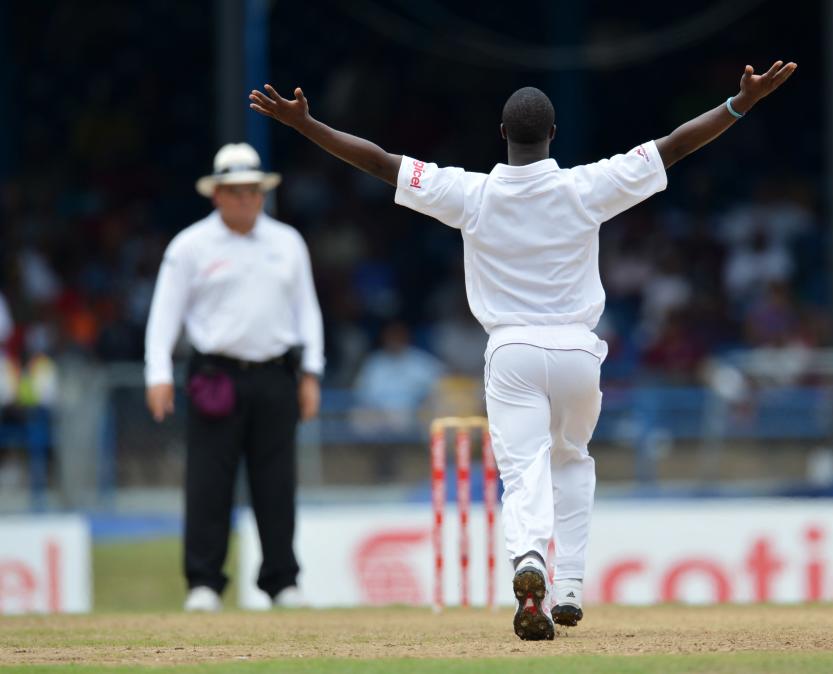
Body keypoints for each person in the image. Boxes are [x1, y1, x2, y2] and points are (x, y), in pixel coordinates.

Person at [251, 59, 796, 639]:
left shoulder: (470, 194)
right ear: (554, 136)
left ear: (502, 133)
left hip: (510, 350)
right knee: (572, 460)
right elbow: (673, 147)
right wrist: (740, 104)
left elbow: (381, 162)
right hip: (578, 352)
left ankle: (530, 561)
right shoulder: (588, 186)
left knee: (524, 470)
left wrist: (309, 126)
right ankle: (569, 588)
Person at [144, 142, 324, 612]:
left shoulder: (287, 242)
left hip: (275, 374)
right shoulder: (189, 246)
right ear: (217, 195)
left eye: (253, 191)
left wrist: (311, 373)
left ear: (262, 194)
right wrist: (158, 373)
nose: (246, 199)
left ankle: (282, 581)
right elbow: (165, 314)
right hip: (216, 376)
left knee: (277, 481)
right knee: (208, 479)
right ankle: (203, 583)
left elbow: (308, 312)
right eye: (236, 191)